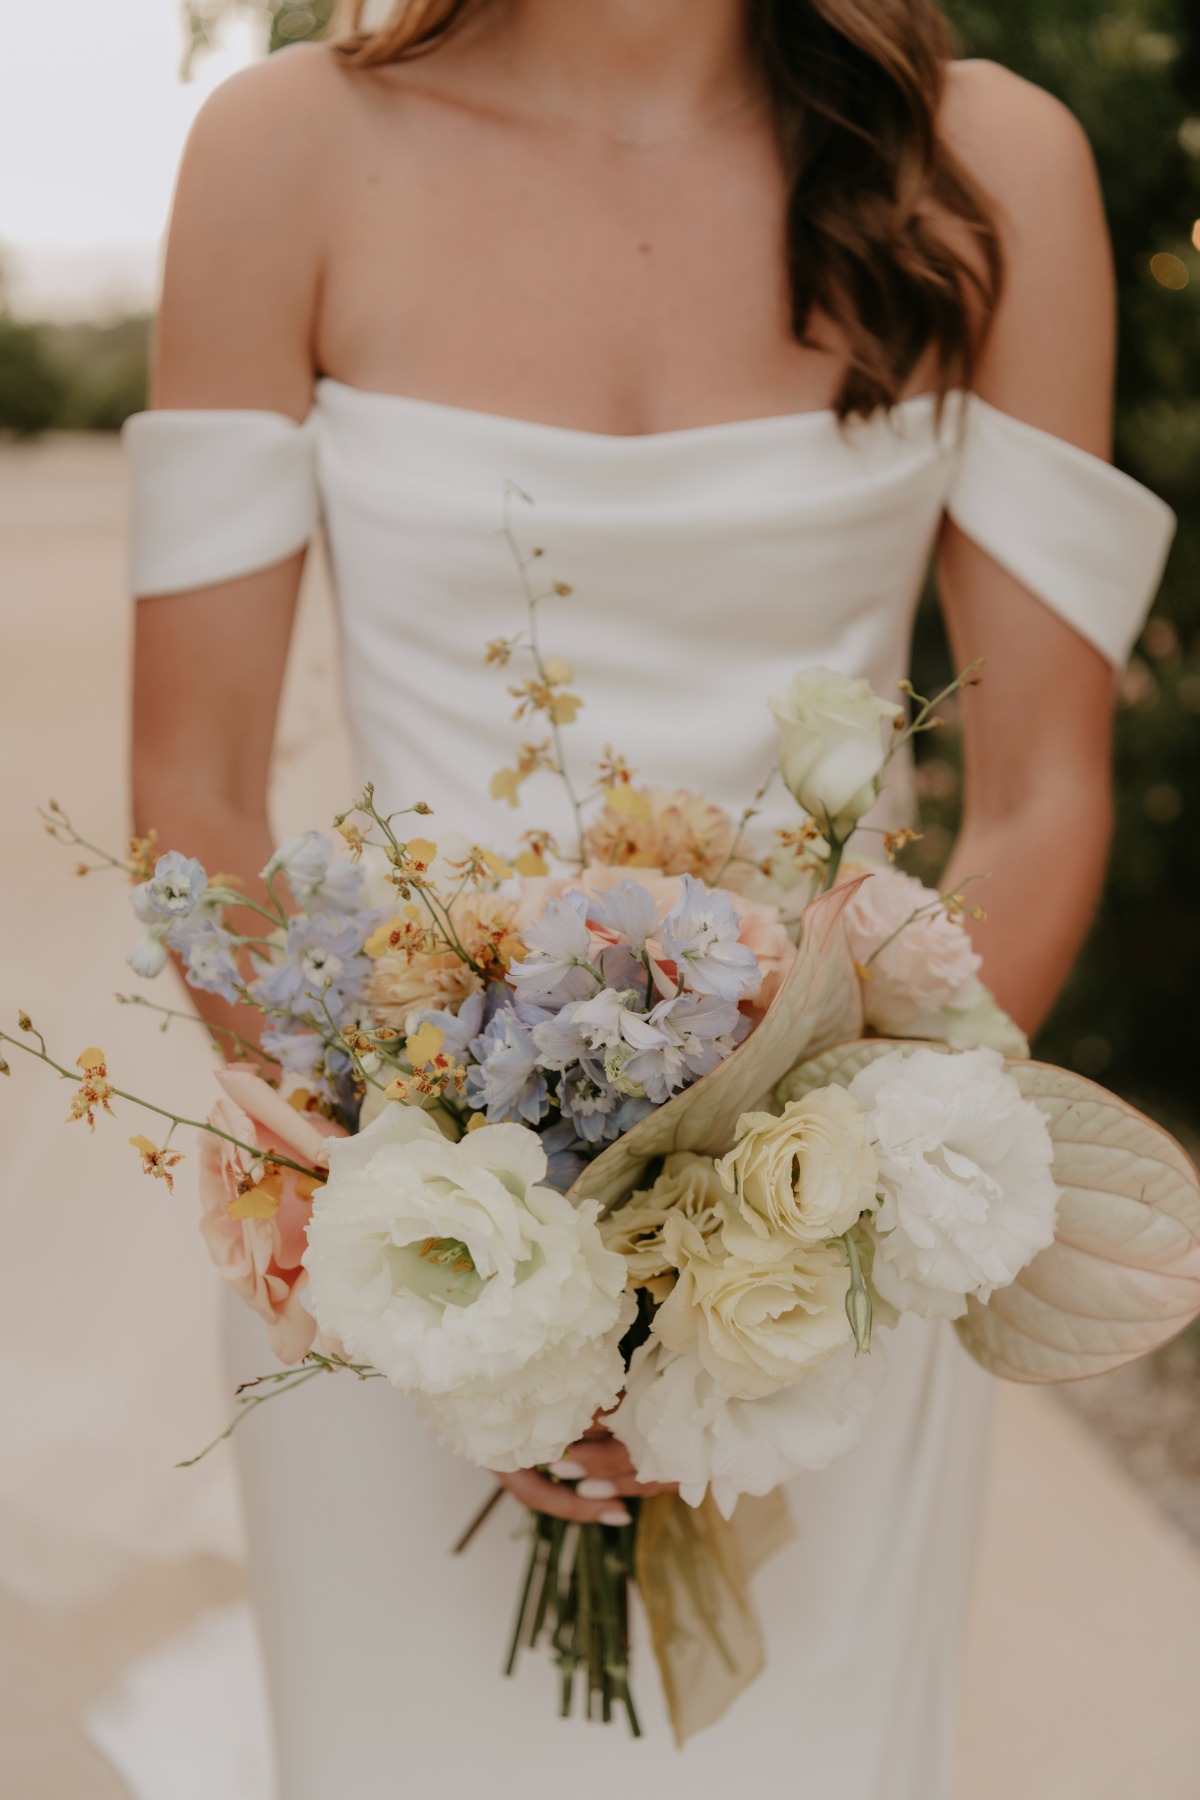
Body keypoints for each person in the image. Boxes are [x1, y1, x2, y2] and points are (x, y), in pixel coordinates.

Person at [124, 2, 1174, 1794]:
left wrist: (792, 1226)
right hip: (403, 1237)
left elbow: (1047, 783)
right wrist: (418, 1213)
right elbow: (195, 793)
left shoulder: (991, 164)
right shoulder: (282, 152)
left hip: (825, 1250)